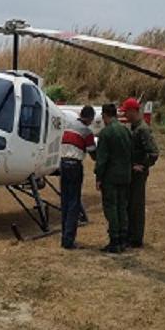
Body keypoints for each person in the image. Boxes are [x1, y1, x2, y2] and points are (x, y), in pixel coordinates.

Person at [94, 103, 132, 254]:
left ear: (104, 115)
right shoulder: (126, 130)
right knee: (122, 207)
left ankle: (114, 240)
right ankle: (123, 238)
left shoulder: (106, 133)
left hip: (111, 176)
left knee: (111, 207)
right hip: (125, 175)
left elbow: (102, 158)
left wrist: (98, 176)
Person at [121, 98, 160, 249]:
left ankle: (136, 238)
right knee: (131, 205)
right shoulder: (135, 127)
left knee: (136, 206)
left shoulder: (142, 129)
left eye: (127, 112)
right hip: (133, 172)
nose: (126, 115)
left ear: (133, 111)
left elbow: (154, 152)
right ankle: (131, 235)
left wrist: (142, 166)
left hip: (138, 174)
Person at [59, 105, 97, 250]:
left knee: (65, 201)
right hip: (75, 166)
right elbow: (93, 153)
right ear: (90, 118)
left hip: (63, 164)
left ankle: (64, 237)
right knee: (74, 203)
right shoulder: (86, 131)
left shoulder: (68, 125)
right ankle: (69, 240)